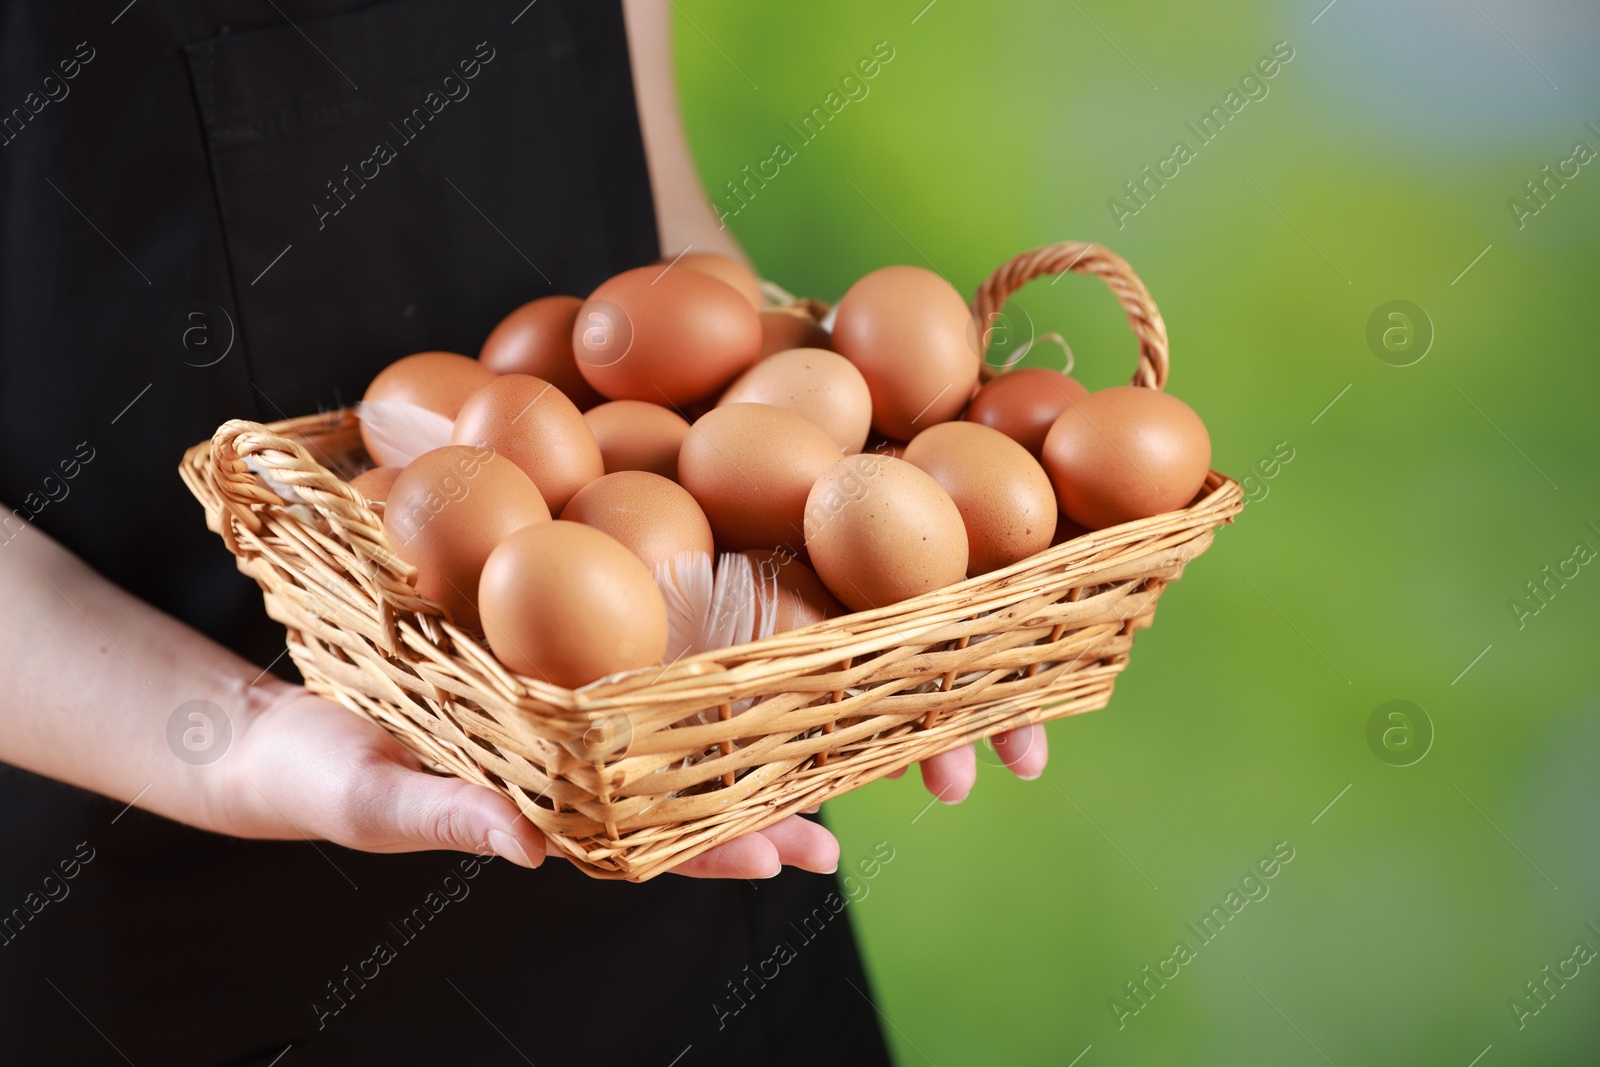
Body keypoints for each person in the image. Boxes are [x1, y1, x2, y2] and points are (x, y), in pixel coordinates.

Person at [0, 2, 1047, 1063]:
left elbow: (649, 188)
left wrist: (874, 532)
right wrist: (242, 731)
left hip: (677, 801)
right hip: (171, 885)